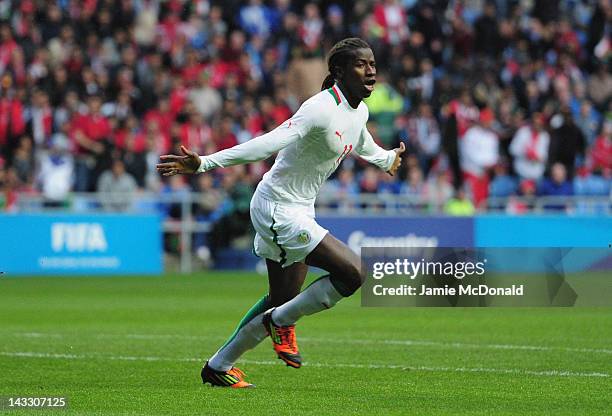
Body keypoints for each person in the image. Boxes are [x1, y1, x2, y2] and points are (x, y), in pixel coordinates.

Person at [157, 38, 404, 388]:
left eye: (373, 63)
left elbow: (360, 140)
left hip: (300, 207)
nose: (371, 70)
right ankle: (282, 322)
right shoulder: (318, 108)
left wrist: (386, 159)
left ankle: (218, 365)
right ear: (338, 71)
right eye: (362, 64)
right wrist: (206, 163)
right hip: (277, 208)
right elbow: (268, 142)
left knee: (280, 299)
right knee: (354, 273)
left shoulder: (358, 111)